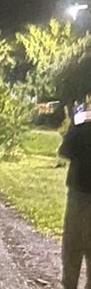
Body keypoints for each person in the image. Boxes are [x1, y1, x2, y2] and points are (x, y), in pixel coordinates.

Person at [59, 103, 91, 289]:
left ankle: (69, 285)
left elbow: (65, 150)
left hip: (80, 193)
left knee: (73, 247)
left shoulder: (82, 123)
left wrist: (75, 123)